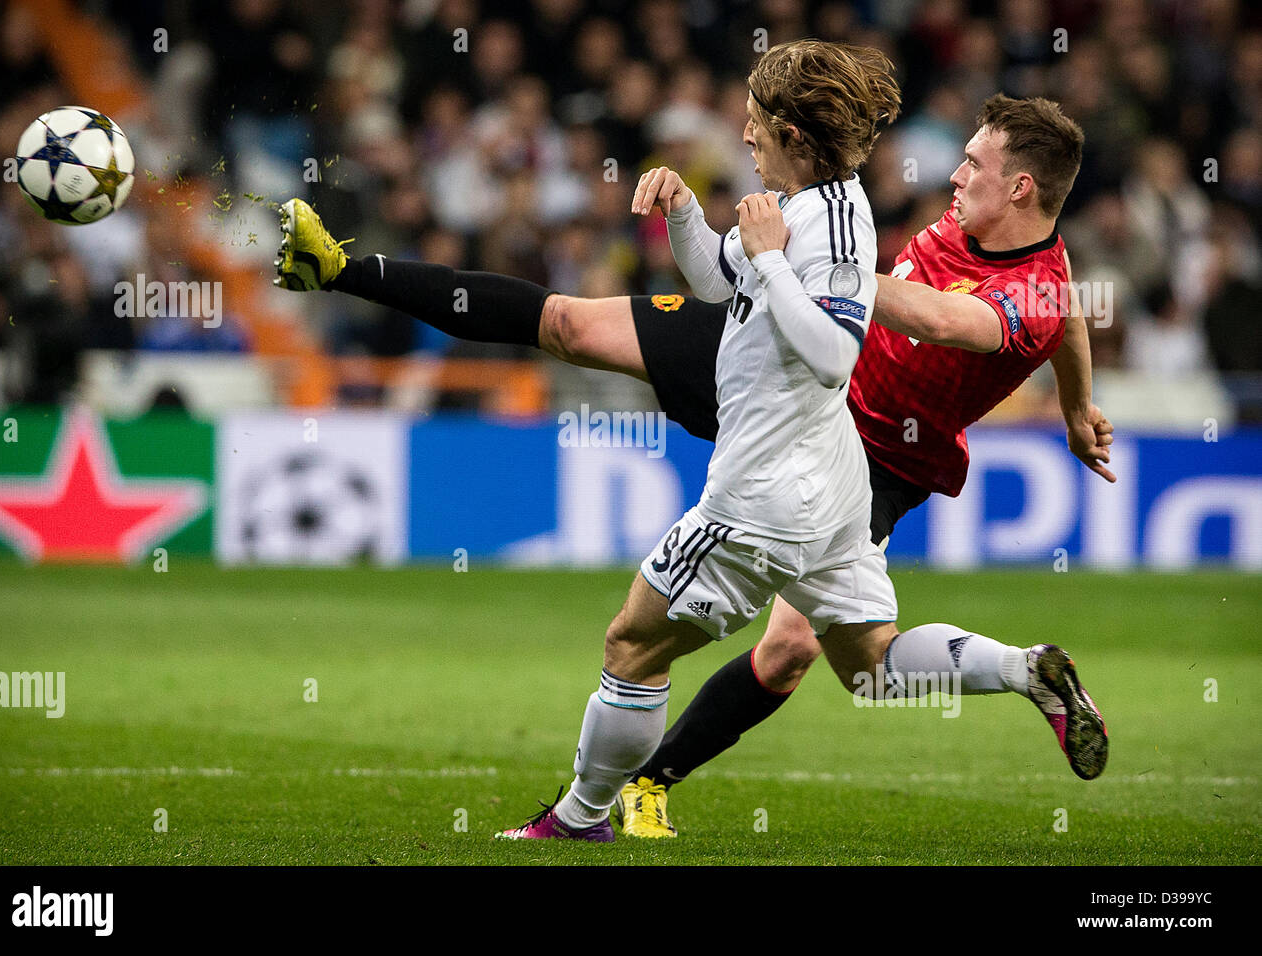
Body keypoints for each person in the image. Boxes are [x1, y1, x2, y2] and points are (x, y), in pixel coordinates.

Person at [274, 87, 1110, 839]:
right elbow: (1071, 311)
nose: (954, 173)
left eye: (974, 162)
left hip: (866, 447)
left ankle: (1012, 673)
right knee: (566, 323)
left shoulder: (1023, 288)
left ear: (1023, 188)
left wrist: (827, 275)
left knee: (840, 664)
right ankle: (345, 267)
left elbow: (943, 320)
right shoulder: (1012, 248)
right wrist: (1076, 408)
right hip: (780, 348)